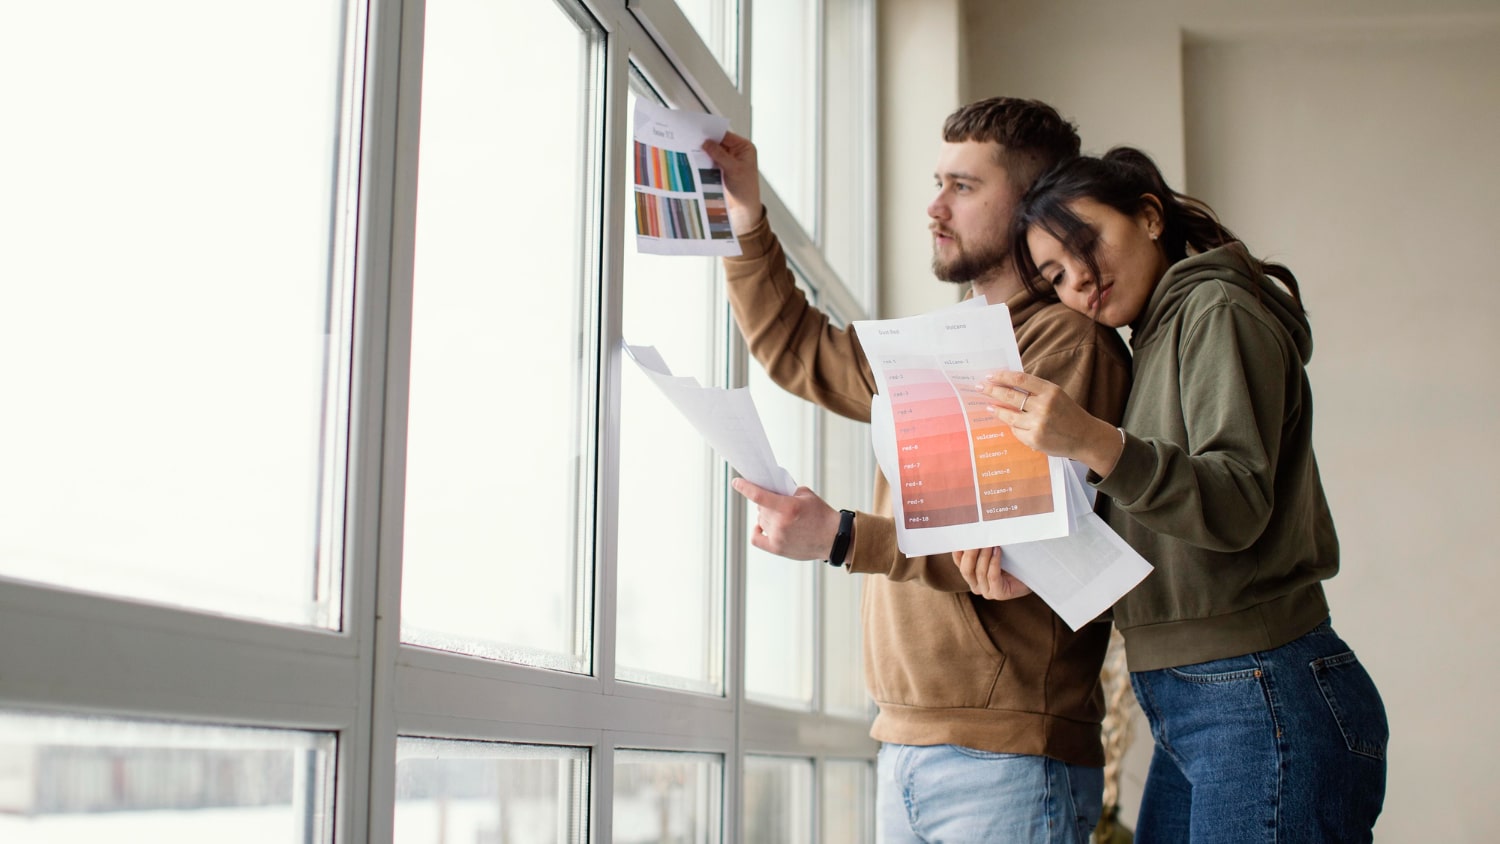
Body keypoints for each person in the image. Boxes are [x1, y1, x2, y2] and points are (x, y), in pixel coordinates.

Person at [702, 97, 1132, 843]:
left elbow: (1012, 545)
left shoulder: (1067, 347)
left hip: (1008, 759)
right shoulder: (945, 344)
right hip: (906, 745)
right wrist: (746, 216)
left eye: (963, 187)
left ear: (1032, 207)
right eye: (938, 181)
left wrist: (839, 536)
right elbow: (799, 350)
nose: (934, 206)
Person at [962, 147, 1389, 842]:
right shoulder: (1151, 340)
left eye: (1085, 245)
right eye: (1055, 277)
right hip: (1203, 697)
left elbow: (1236, 502)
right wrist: (1036, 569)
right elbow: (1165, 530)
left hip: (1260, 688)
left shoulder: (1216, 308)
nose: (1079, 282)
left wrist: (1091, 439)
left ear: (1150, 216)